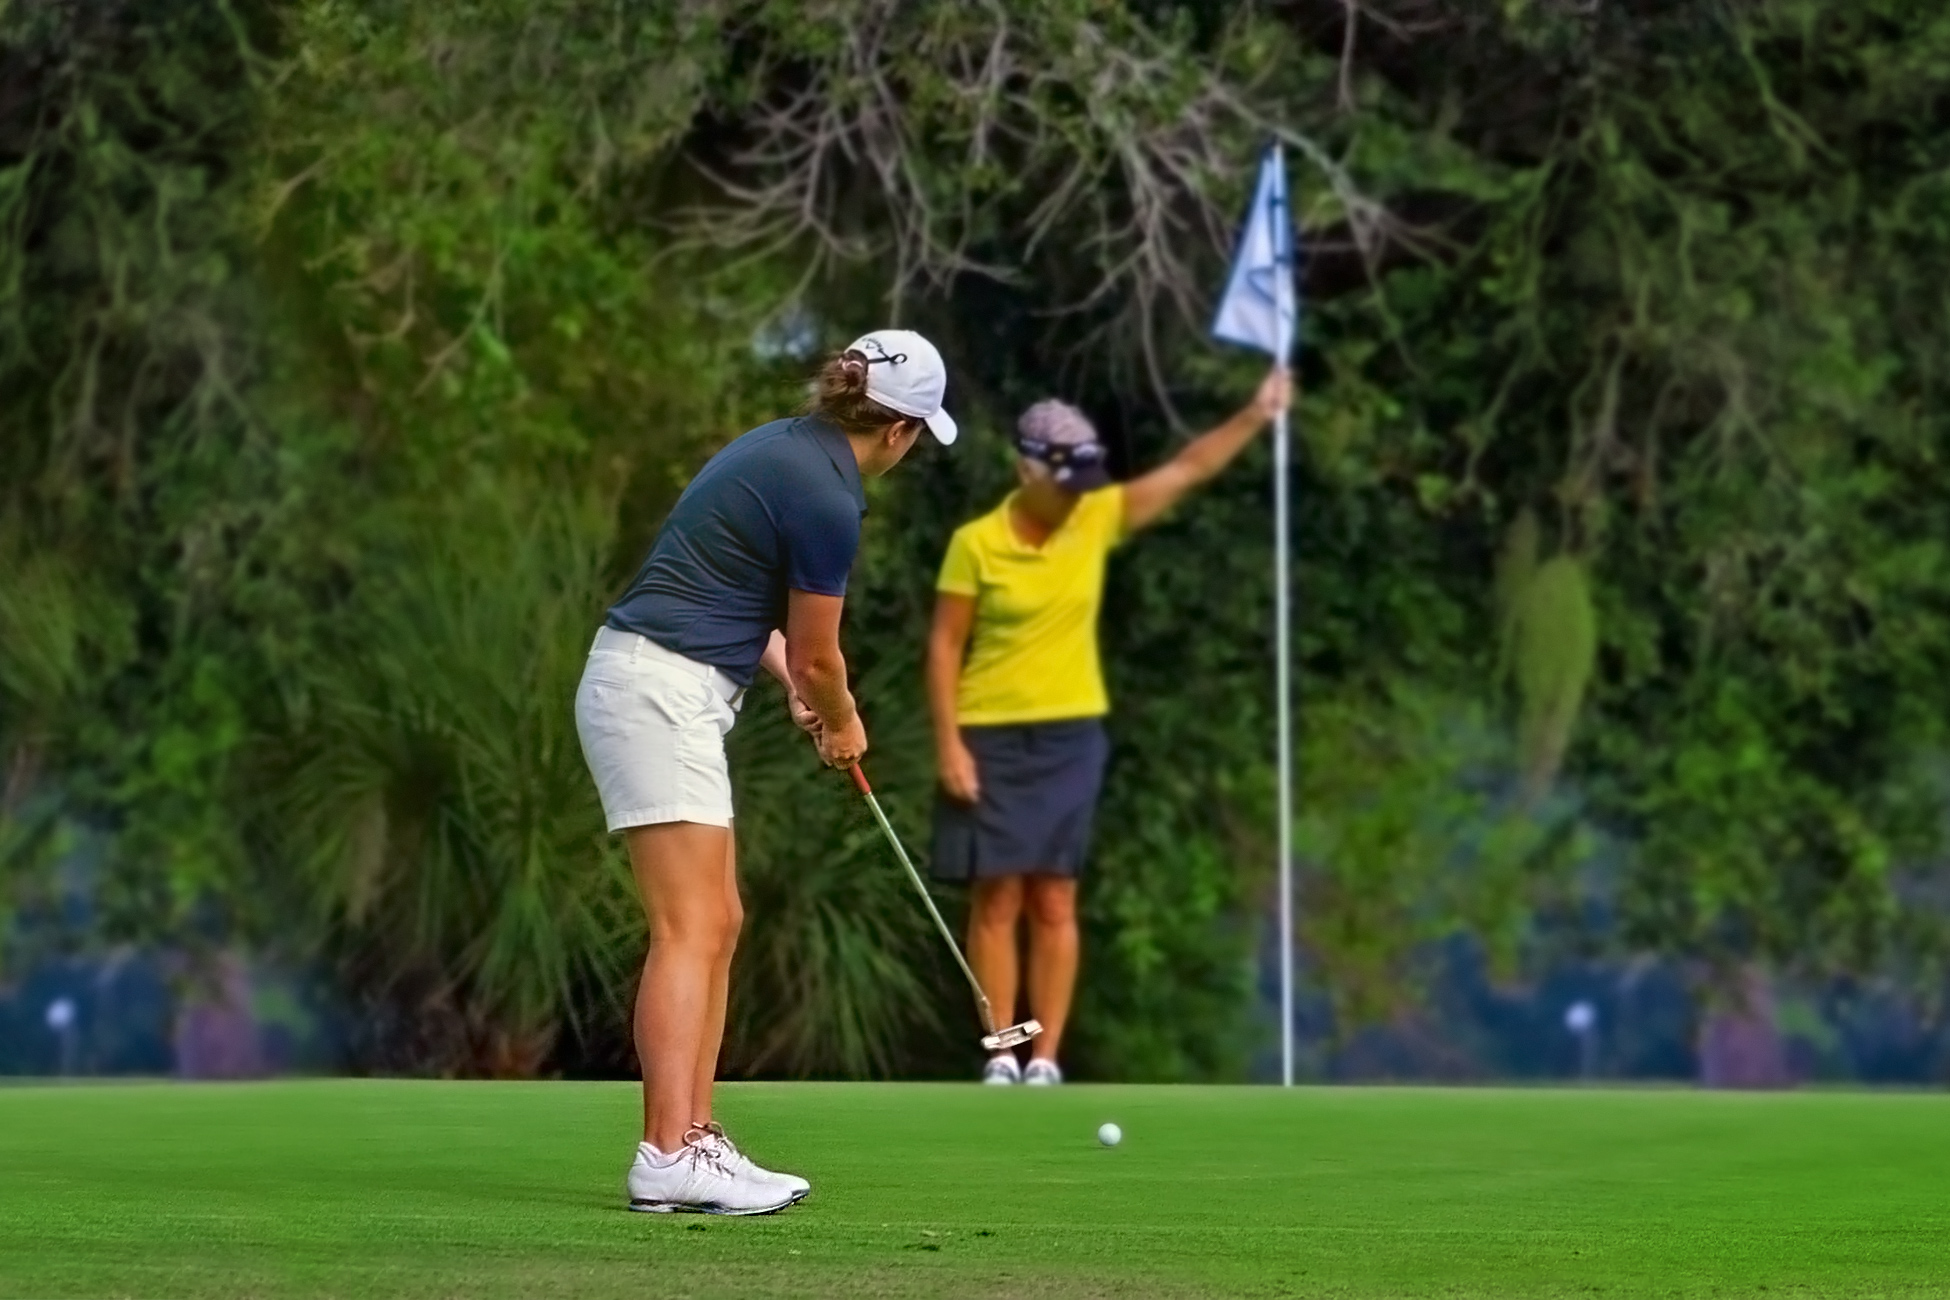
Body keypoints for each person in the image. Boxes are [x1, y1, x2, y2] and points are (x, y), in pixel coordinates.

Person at [576, 330, 957, 1213]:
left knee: (717, 919)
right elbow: (823, 655)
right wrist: (842, 721)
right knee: (690, 925)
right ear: (899, 431)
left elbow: (739, 602)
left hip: (661, 685)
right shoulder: (830, 496)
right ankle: (666, 1151)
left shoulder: (781, 446)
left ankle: (694, 1139)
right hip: (658, 691)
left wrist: (791, 682)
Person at [927, 367, 1290, 1085]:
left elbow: (1187, 470)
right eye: (1061, 482)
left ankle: (1045, 1056)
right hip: (989, 732)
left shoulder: (1094, 518)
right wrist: (949, 744)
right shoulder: (977, 543)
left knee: (1055, 895)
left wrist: (1255, 413)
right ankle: (1001, 1050)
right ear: (1025, 469)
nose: (1073, 496)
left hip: (1070, 737)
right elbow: (944, 646)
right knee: (997, 895)